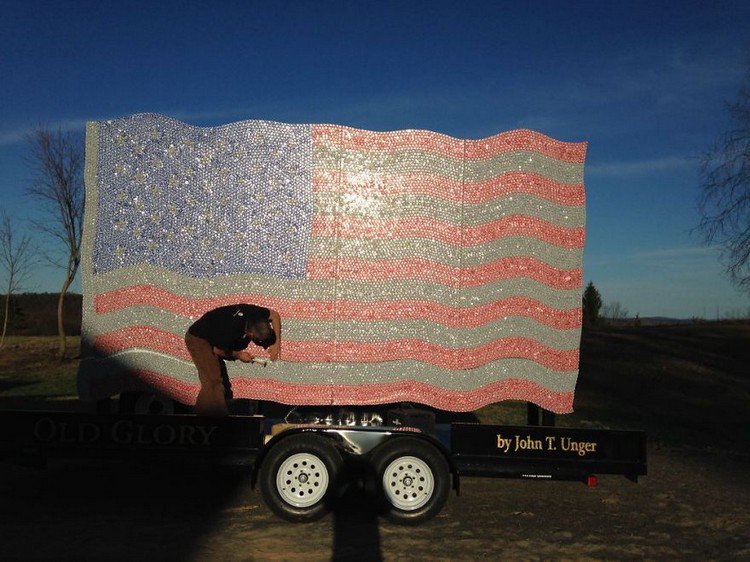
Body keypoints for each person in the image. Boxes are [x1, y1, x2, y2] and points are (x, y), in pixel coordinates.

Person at [185, 304, 281, 416]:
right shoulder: (230, 329)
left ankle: (199, 418)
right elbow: (217, 350)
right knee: (214, 381)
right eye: (259, 341)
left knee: (211, 383)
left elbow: (274, 315)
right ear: (250, 334)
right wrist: (239, 355)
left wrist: (277, 343)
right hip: (199, 339)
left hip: (215, 336)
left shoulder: (256, 313)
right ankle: (221, 420)